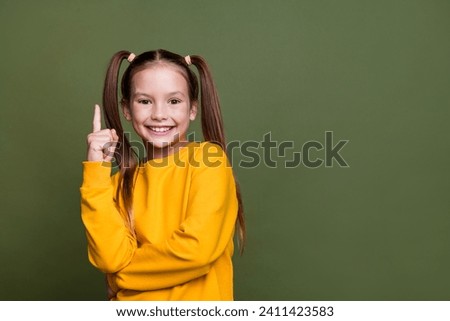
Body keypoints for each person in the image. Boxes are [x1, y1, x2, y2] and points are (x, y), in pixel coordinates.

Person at [80, 49, 245, 300]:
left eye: (174, 101)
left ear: (192, 109)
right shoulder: (115, 185)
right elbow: (109, 258)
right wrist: (95, 174)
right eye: (145, 101)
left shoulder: (208, 161)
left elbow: (197, 251)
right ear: (127, 109)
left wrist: (120, 278)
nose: (159, 114)